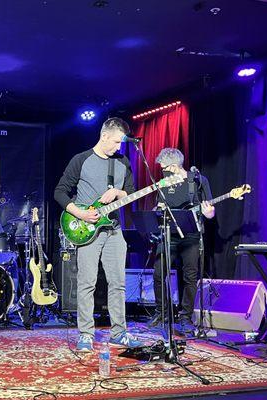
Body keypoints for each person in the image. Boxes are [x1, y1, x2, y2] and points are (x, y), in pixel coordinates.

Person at [54, 117, 143, 352]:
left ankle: (119, 333)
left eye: (120, 143)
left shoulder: (123, 162)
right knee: (87, 283)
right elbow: (60, 192)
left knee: (118, 283)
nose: (118, 147)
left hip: (114, 230)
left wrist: (118, 192)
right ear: (104, 136)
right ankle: (85, 334)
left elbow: (131, 194)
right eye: (115, 142)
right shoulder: (81, 160)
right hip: (87, 229)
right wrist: (80, 214)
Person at [148, 148, 215, 335]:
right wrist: (157, 209)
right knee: (159, 274)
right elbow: (158, 206)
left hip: (191, 235)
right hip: (168, 234)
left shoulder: (198, 180)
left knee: (189, 276)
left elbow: (210, 212)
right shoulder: (163, 183)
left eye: (165, 168)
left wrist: (209, 212)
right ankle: (162, 313)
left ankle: (185, 317)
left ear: (175, 166)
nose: (162, 172)